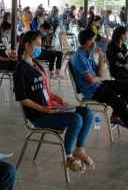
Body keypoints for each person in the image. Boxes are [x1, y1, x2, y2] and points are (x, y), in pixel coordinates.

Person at [14, 31, 94, 173]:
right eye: (37, 44)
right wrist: (42, 109)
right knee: (76, 119)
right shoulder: (20, 69)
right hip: (38, 115)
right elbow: (22, 98)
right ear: (27, 45)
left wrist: (54, 96)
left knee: (87, 113)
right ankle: (68, 156)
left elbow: (40, 88)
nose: (40, 48)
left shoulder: (35, 63)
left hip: (50, 106)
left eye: (41, 44)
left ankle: (79, 149)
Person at [70, 30, 128, 150]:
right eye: (93, 40)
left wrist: (101, 57)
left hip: (99, 84)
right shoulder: (79, 57)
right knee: (120, 103)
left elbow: (99, 74)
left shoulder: (88, 53)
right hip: (92, 91)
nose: (95, 43)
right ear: (88, 42)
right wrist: (97, 78)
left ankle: (115, 116)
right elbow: (91, 80)